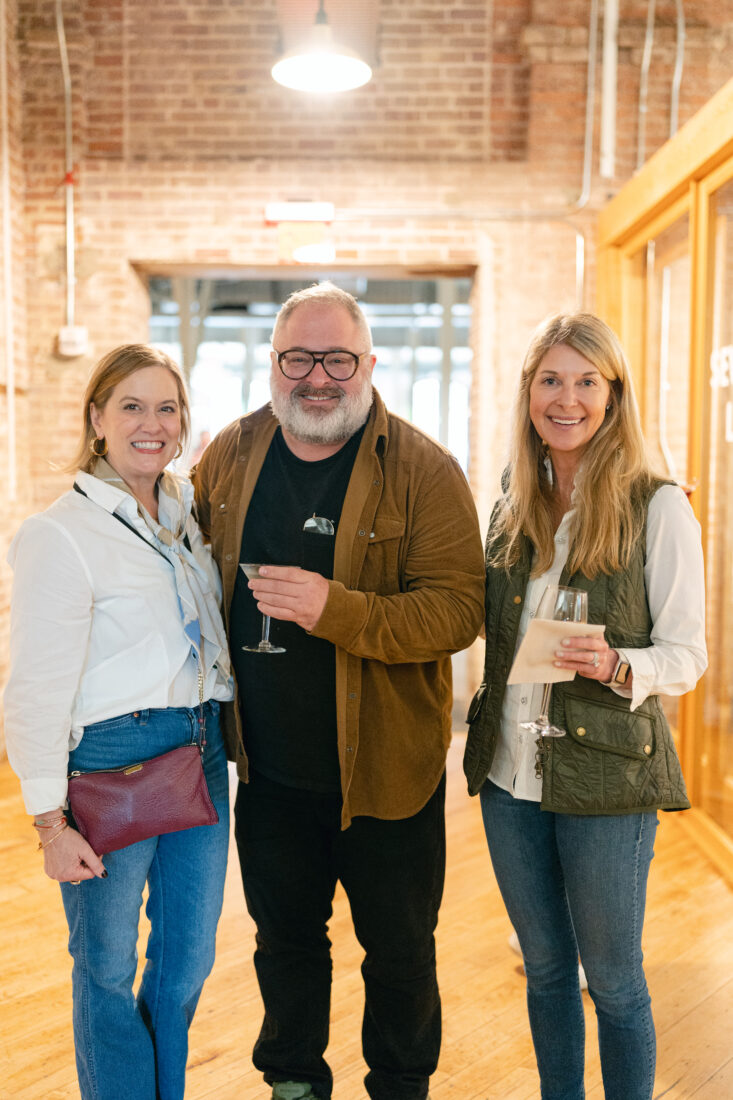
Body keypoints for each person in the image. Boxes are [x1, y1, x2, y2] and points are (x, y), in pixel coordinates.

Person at [193, 282, 485, 1100]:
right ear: (273, 362)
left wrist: (336, 611)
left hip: (387, 775)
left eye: (336, 359)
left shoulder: (424, 469)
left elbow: (460, 611)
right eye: (297, 358)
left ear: (368, 364)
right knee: (284, 944)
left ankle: (398, 1086)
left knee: (397, 952)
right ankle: (291, 1084)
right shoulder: (231, 454)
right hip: (269, 770)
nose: (316, 377)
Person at [464, 312, 707, 1100]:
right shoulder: (512, 502)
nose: (565, 400)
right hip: (509, 777)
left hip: (605, 781)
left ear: (613, 396)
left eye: (584, 382)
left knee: (613, 980)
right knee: (542, 972)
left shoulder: (657, 506)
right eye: (549, 380)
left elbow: (686, 657)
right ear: (528, 393)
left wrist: (613, 664)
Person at [4, 344, 233, 1100]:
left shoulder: (182, 515)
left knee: (187, 961)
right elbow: (34, 687)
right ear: (96, 420)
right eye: (131, 406)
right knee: (105, 968)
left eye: (166, 407)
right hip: (110, 759)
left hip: (198, 748)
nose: (152, 423)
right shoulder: (60, 532)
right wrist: (48, 824)